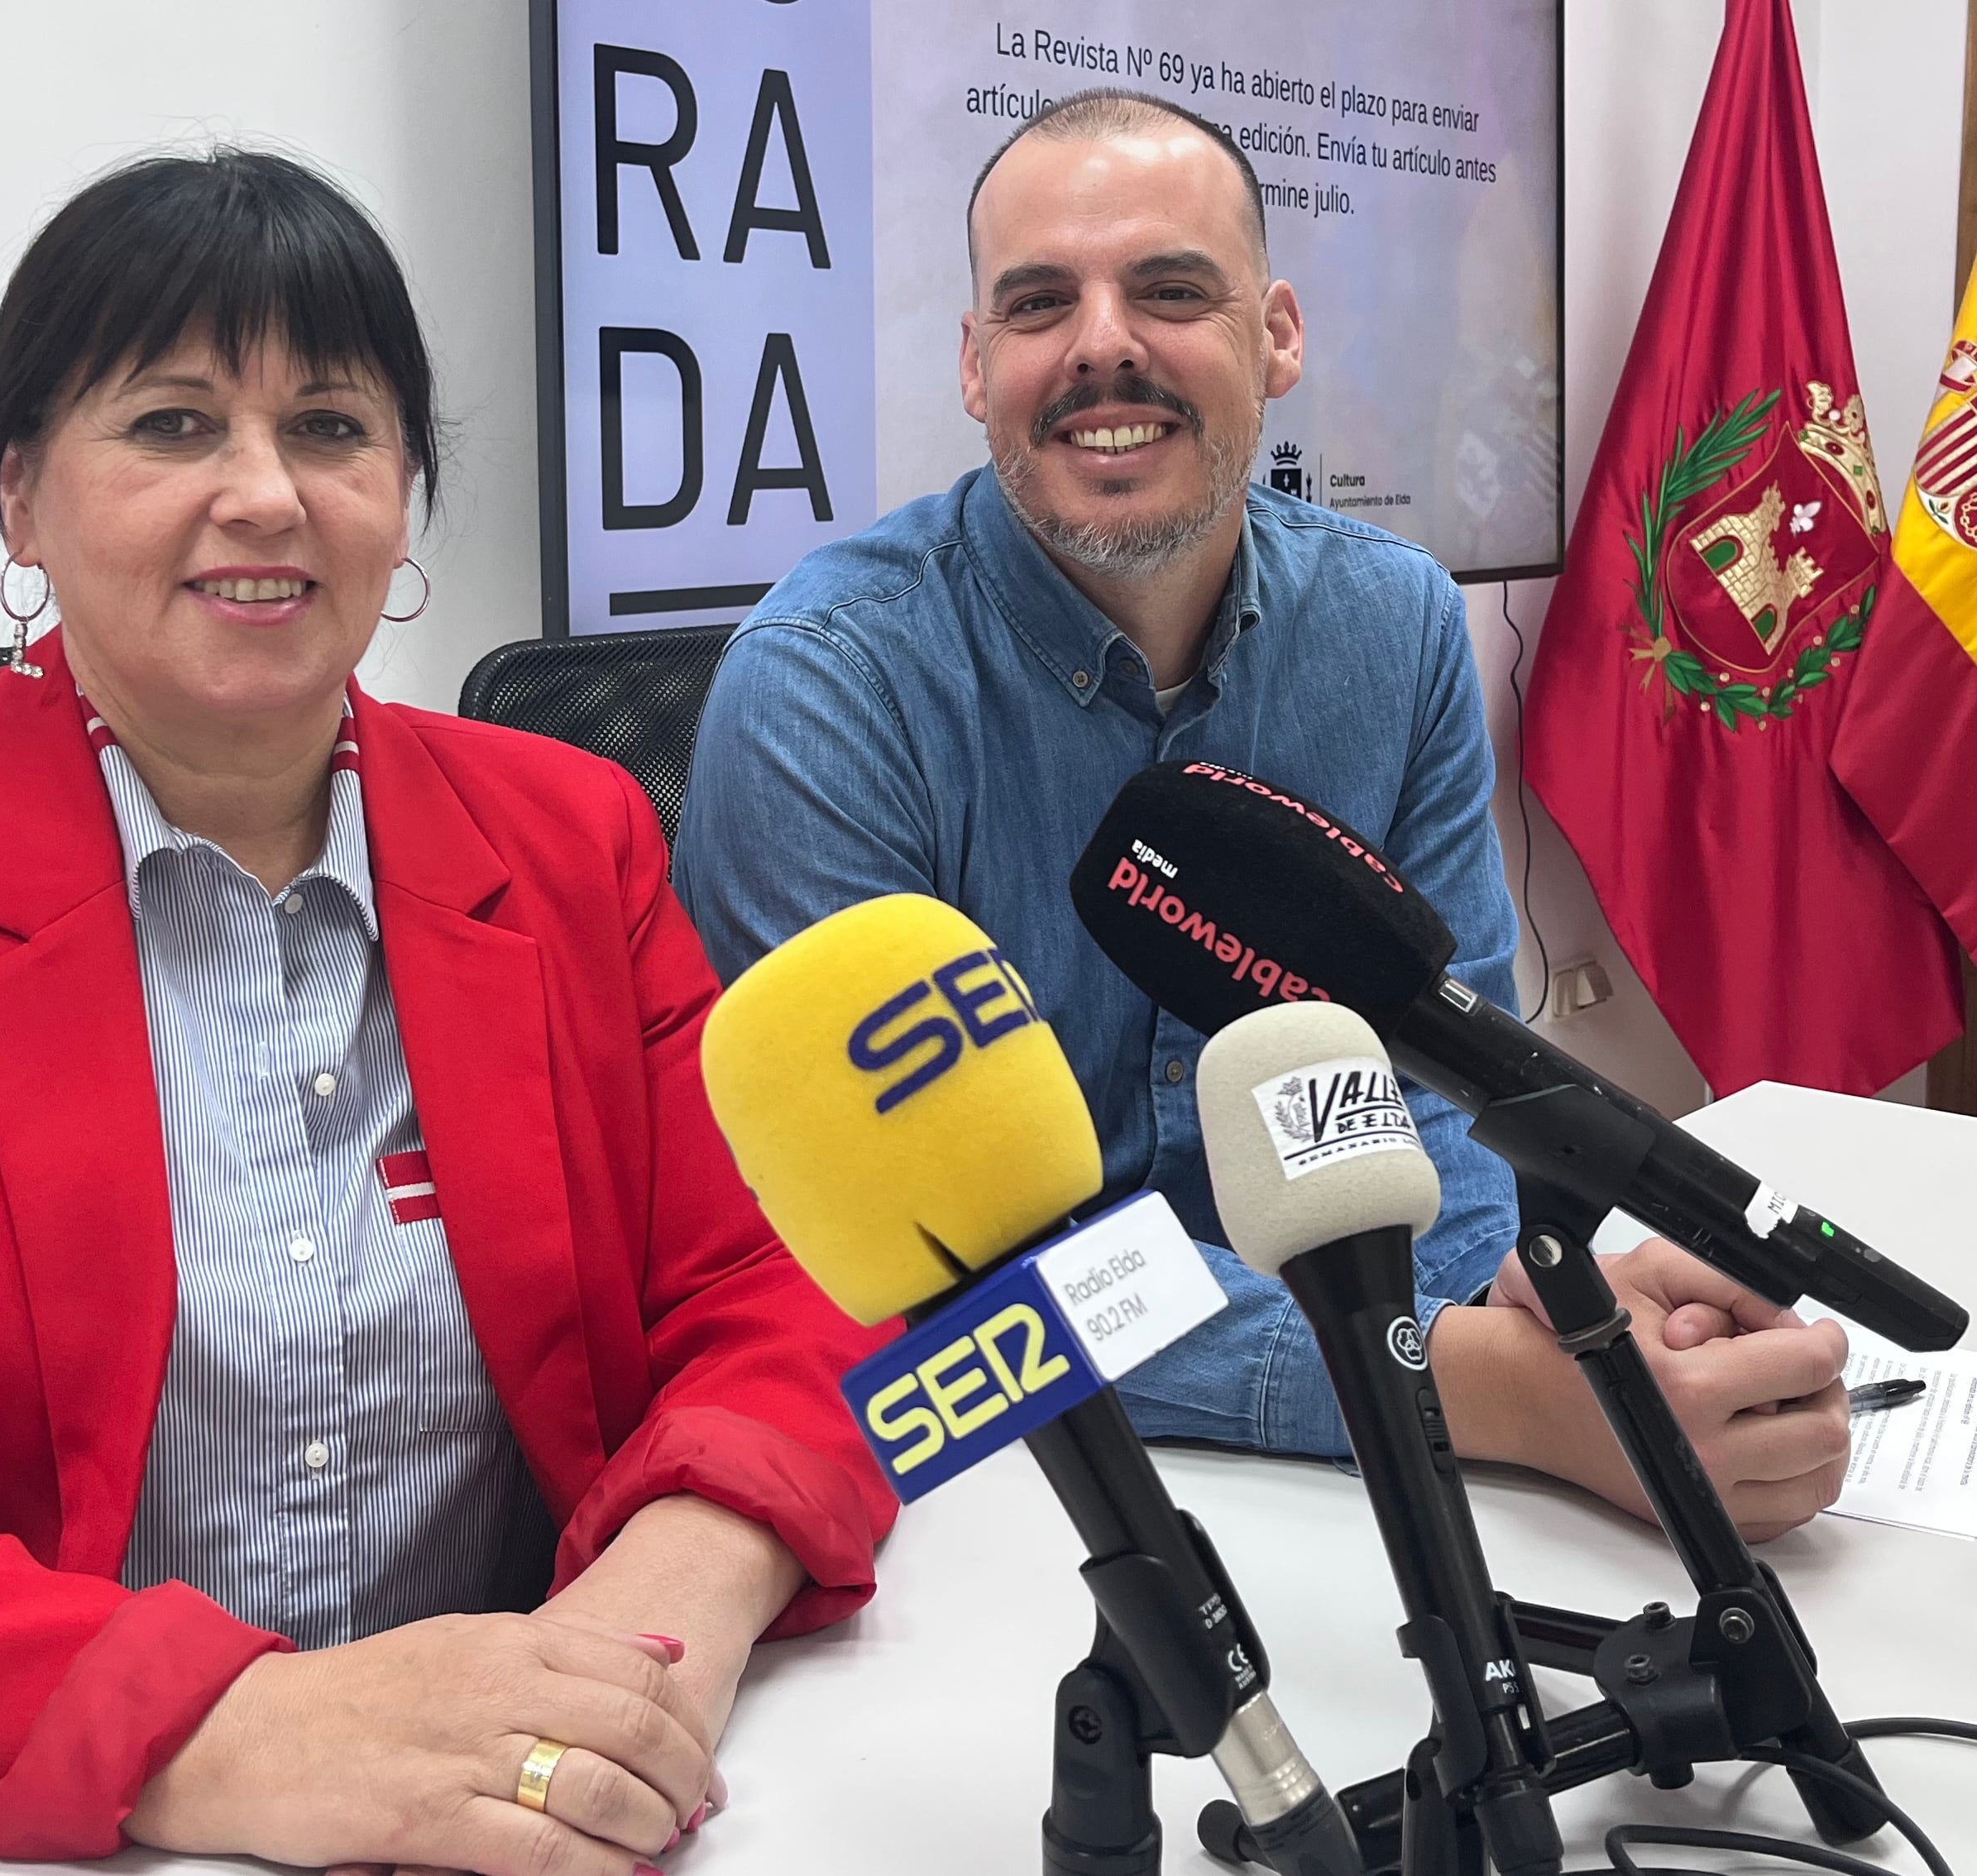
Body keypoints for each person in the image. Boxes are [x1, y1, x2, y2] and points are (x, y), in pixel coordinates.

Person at [0, 149, 890, 1876]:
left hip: (467, 1810)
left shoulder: (565, 836)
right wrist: (228, 1728)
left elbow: (768, 1287)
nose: (265, 495)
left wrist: (671, 1600)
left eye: (330, 428)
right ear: (23, 499)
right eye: (169, 425)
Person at [674, 90, 1853, 1541]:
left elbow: (1445, 1079)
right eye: (1041, 304)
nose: (1103, 341)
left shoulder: (1396, 622)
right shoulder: (823, 688)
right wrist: (1493, 1395)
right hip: (1012, 1509)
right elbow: (945, 1279)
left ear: (1277, 336)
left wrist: (1539, 1307)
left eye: (1171, 289)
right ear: (977, 369)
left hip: (1367, 1454)